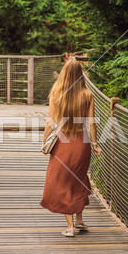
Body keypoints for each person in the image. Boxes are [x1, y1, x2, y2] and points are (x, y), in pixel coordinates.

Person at [40, 57, 102, 237]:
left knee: (64, 182)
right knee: (79, 178)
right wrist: (95, 144)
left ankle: (70, 227)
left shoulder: (56, 93)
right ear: (80, 75)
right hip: (82, 144)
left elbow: (51, 122)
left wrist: (44, 142)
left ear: (64, 73)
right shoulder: (88, 95)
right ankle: (79, 220)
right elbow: (91, 123)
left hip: (63, 143)